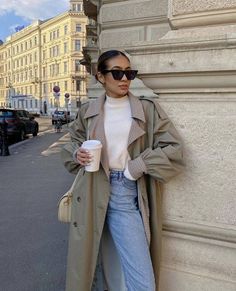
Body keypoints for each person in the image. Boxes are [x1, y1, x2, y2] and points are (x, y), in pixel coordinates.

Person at [61, 50, 184, 291]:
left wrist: (136, 167)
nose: (124, 79)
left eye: (129, 73)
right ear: (101, 77)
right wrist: (78, 154)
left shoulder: (146, 110)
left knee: (141, 279)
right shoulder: (88, 111)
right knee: (97, 266)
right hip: (91, 188)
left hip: (124, 192)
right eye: (117, 73)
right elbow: (71, 144)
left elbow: (174, 148)